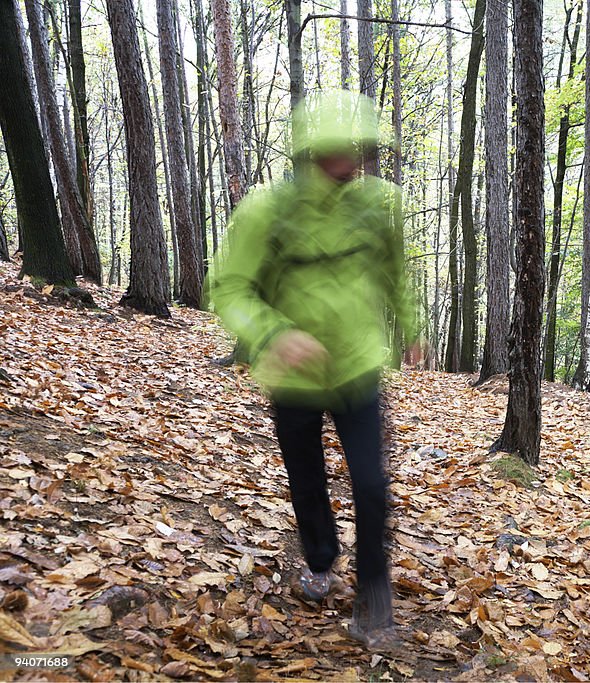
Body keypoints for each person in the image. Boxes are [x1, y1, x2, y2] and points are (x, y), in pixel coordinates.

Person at [208, 91, 417, 650]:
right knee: (307, 479)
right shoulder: (266, 210)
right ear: (310, 151)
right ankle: (320, 559)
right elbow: (228, 288)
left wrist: (410, 326)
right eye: (335, 151)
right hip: (292, 377)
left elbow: (395, 272)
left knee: (372, 485)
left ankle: (374, 597)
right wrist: (275, 333)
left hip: (358, 367)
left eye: (357, 150)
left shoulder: (379, 205)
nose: (348, 162)